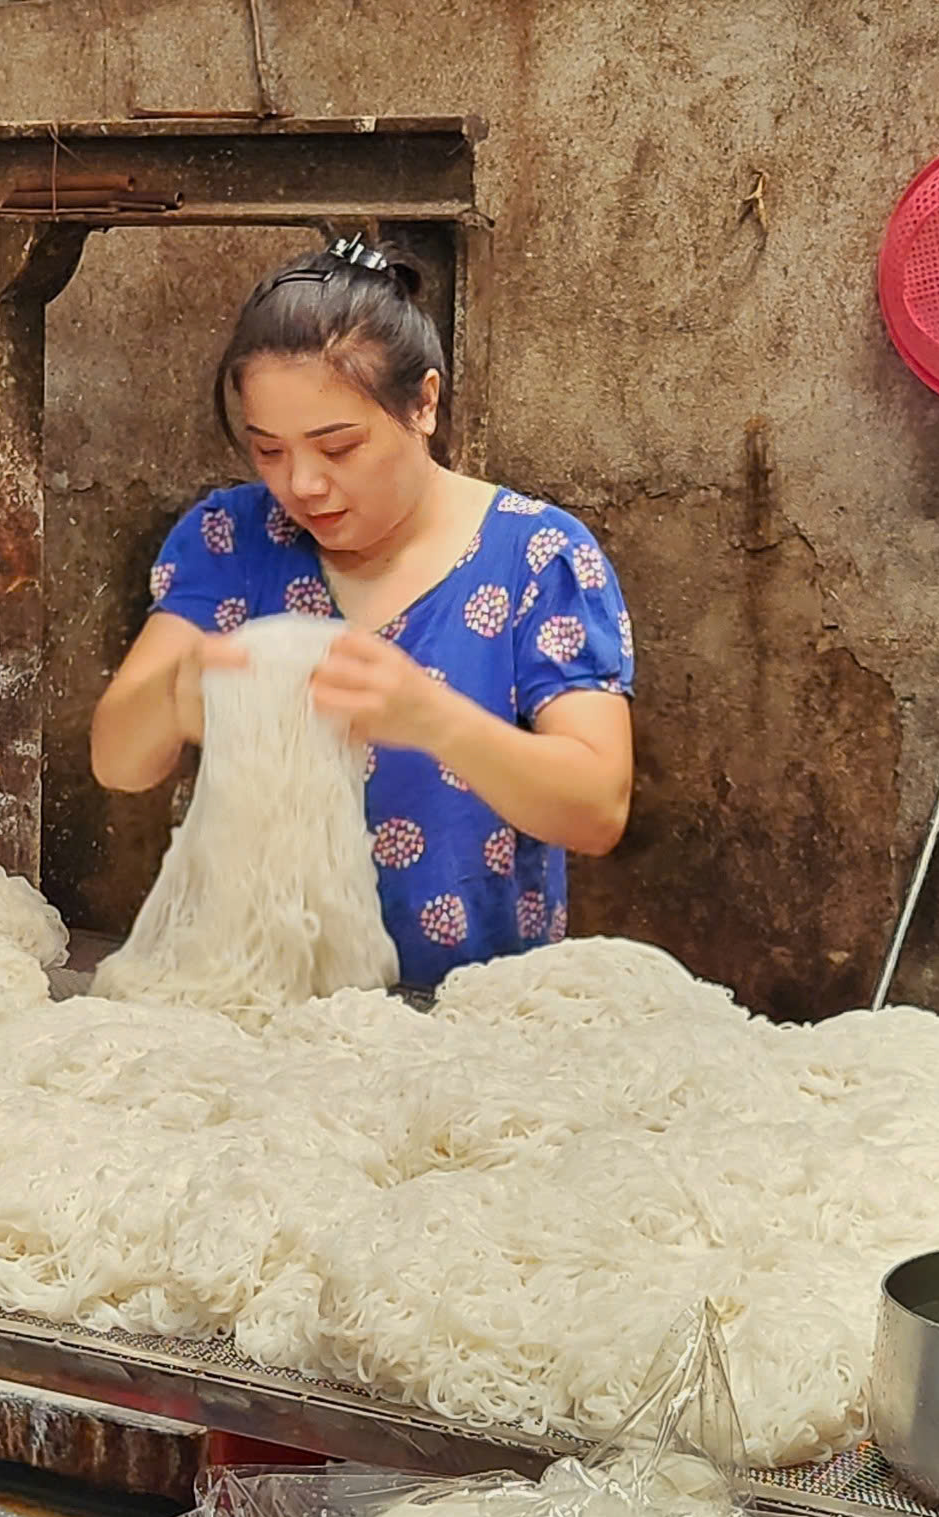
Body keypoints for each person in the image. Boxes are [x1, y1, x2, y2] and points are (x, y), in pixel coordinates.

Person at [90, 235, 637, 988]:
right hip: (264, 1002)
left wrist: (430, 718)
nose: (303, 485)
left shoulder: (537, 558)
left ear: (424, 404)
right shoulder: (233, 540)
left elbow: (597, 808)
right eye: (269, 452)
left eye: (337, 447)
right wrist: (177, 694)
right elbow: (118, 762)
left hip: (470, 1022)